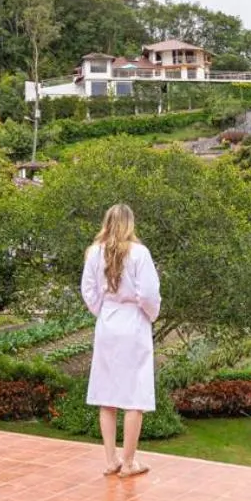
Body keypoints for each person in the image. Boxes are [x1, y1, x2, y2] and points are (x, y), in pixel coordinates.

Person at [80, 202, 161, 477]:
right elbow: (149, 294)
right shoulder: (139, 253)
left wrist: (103, 310)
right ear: (130, 223)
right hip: (133, 322)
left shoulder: (94, 253)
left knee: (107, 393)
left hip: (107, 322)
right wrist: (149, 315)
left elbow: (88, 290)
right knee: (134, 394)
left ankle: (110, 459)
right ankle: (128, 462)